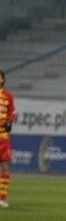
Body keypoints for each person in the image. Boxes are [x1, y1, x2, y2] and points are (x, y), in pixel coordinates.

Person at [0, 70, 16, 208]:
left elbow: (11, 112)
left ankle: (2, 198)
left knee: (5, 167)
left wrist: (9, 121)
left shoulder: (8, 96)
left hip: (3, 137)